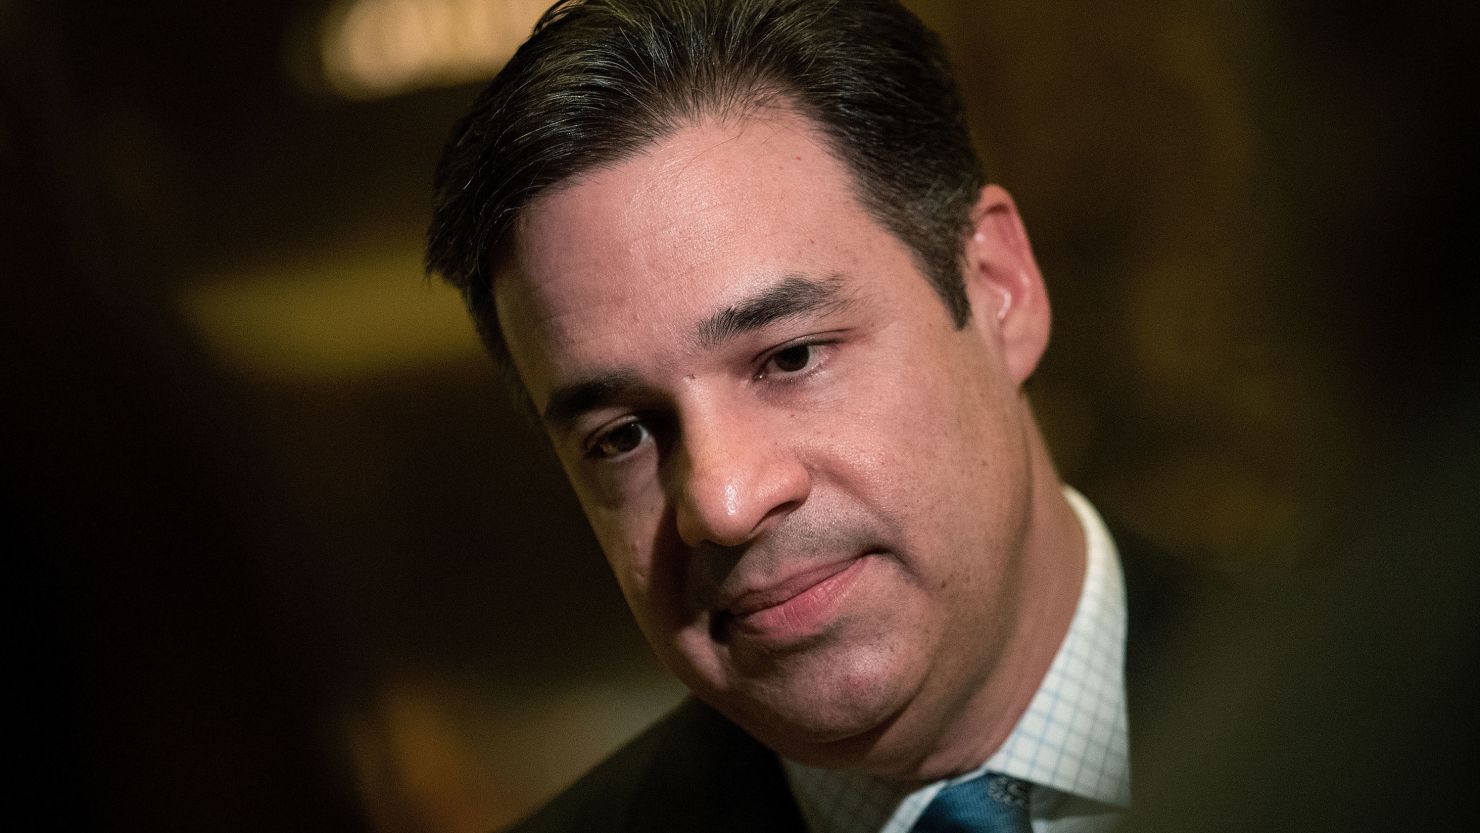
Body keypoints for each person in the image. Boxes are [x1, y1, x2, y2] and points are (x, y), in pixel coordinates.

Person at [426, 1, 1187, 830]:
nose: (721, 501)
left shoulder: (1334, 728)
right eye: (623, 435)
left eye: (790, 357)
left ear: (999, 286)